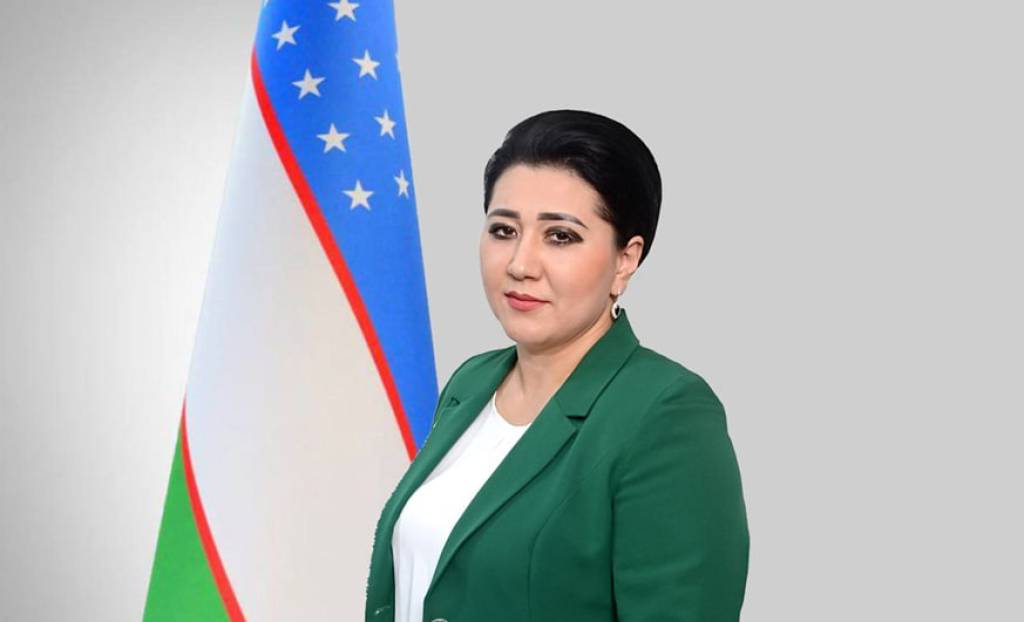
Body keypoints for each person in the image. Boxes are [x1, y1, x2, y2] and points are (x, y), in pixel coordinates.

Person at [364, 109, 749, 622]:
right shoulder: (471, 382)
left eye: (560, 236)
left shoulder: (665, 414)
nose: (520, 264)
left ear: (626, 259)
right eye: (504, 230)